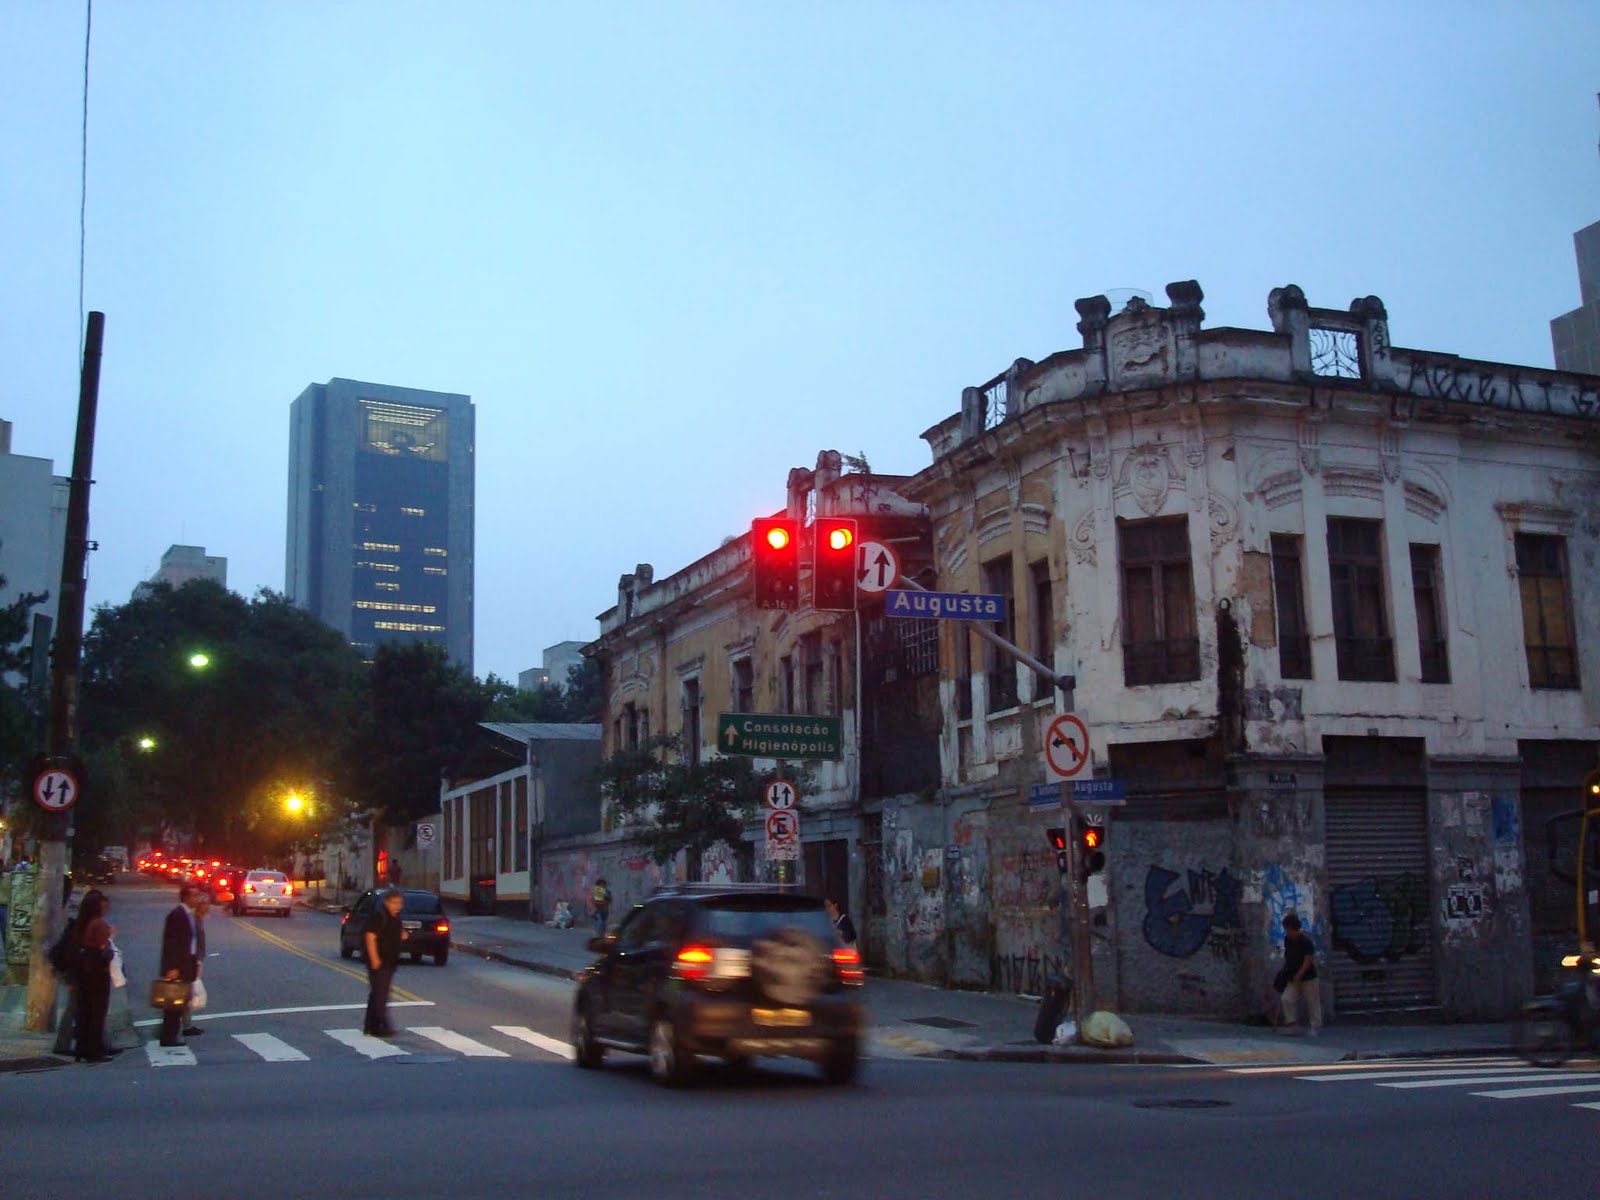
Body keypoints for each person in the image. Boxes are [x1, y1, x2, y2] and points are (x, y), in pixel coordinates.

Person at [73, 890, 116, 1062]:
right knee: (97, 1012)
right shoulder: (98, 924)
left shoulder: (82, 924)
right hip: (98, 972)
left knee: (85, 1011)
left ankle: (82, 1048)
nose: (106, 909)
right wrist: (111, 937)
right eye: (104, 906)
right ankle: (94, 1050)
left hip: (85, 972)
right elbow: (105, 952)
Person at [158, 884, 203, 1047]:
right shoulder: (177, 915)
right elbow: (171, 944)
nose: (197, 899)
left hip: (186, 964)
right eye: (195, 896)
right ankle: (168, 1036)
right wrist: (172, 967)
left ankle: (172, 1033)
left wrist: (194, 962)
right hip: (176, 966)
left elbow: (190, 942)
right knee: (173, 1004)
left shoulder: (189, 914)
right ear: (186, 897)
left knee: (181, 1002)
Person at [363, 888, 407, 1037]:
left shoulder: (395, 917)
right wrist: (375, 959)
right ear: (386, 902)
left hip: (389, 961)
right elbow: (370, 936)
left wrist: (401, 935)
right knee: (381, 994)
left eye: (400, 903)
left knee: (377, 994)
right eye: (394, 903)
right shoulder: (380, 916)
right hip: (380, 961)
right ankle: (382, 1025)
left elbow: (391, 934)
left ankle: (370, 1025)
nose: (397, 906)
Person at [1278, 911, 1322, 1036]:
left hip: (1308, 977)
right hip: (1293, 976)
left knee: (1312, 1002)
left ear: (1292, 928)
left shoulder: (1305, 941)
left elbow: (1308, 960)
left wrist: (1300, 974)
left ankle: (1315, 1026)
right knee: (1286, 998)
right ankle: (1292, 1024)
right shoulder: (1288, 940)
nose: (1286, 931)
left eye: (1287, 929)